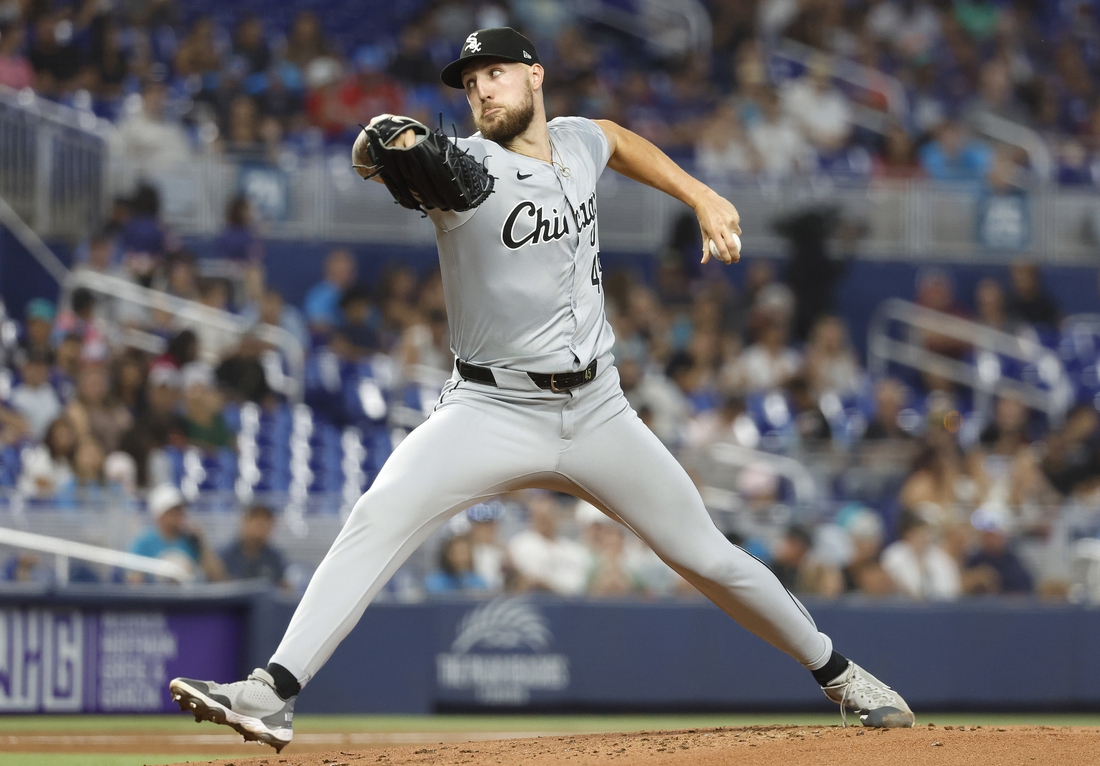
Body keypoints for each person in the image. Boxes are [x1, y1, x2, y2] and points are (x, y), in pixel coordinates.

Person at [169, 28, 914, 751]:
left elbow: (618, 139)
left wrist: (699, 195)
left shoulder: (578, 141)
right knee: (380, 514)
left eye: (494, 73)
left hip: (598, 410)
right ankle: (272, 692)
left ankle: (842, 675)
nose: (481, 90)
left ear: (535, 75)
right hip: (490, 407)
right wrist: (380, 139)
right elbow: (371, 156)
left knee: (707, 556)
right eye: (469, 83)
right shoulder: (462, 166)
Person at [128, 484, 225, 584]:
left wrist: (201, 542)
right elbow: (133, 579)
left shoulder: (191, 540)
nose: (180, 514)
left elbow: (217, 577)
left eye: (181, 510)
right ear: (160, 515)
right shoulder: (144, 541)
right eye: (174, 511)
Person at [220, 505, 288, 588]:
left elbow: (284, 587)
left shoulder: (275, 557)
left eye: (266, 521)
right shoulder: (225, 554)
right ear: (244, 522)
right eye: (258, 521)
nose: (262, 527)